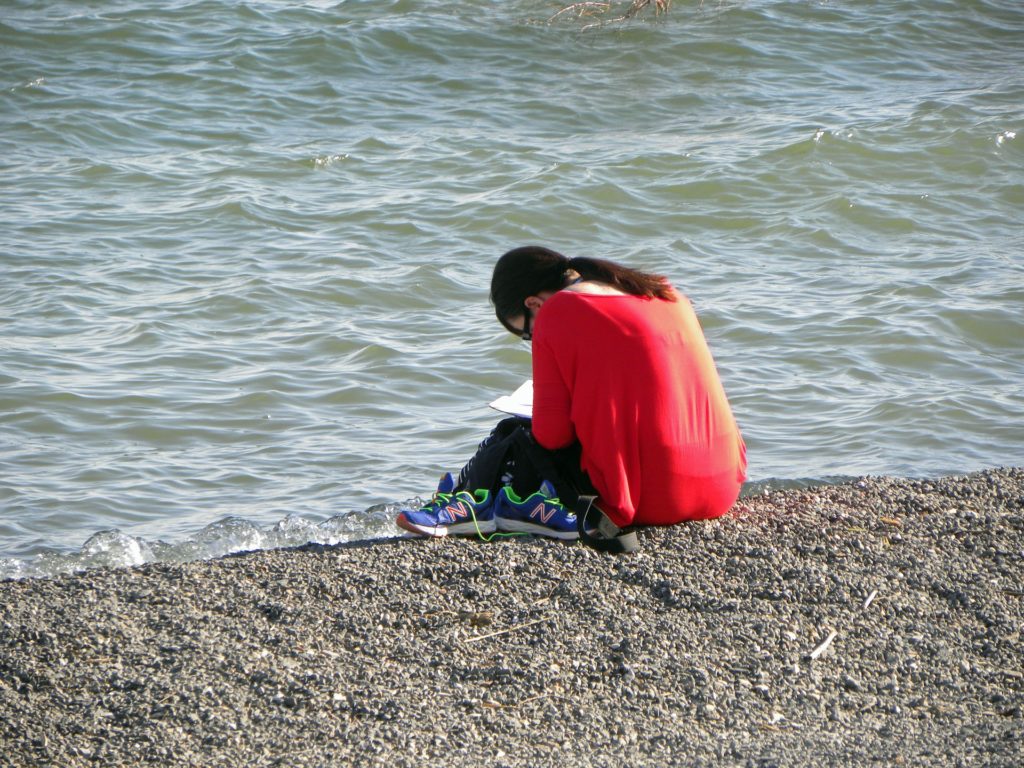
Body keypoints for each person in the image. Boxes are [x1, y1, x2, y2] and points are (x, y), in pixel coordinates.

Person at [396, 245, 747, 549]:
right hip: (721, 489)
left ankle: (468, 505)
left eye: (525, 333)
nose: (532, 340)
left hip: (656, 499)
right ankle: (486, 505)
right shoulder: (664, 295)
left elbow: (553, 435)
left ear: (534, 303)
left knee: (513, 434)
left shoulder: (558, 311)